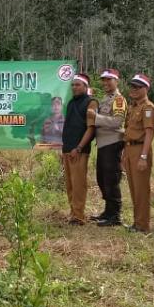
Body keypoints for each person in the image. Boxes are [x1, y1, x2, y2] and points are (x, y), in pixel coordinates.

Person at [88, 68, 127, 227]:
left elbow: (117, 122)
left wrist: (95, 118)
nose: (105, 83)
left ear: (116, 81)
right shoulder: (105, 99)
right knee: (102, 179)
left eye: (109, 80)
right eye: (103, 80)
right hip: (103, 144)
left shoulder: (118, 100)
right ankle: (107, 211)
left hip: (113, 142)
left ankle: (115, 215)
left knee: (111, 179)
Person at [123, 73, 154, 233]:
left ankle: (143, 225)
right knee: (133, 188)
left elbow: (149, 133)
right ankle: (136, 222)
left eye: (138, 87)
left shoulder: (148, 107)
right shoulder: (133, 107)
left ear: (146, 89)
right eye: (132, 86)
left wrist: (143, 156)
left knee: (141, 189)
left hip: (140, 149)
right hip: (129, 149)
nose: (134, 89)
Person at [61, 73, 98, 225]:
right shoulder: (70, 103)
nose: (74, 87)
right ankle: (73, 212)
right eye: (73, 85)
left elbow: (91, 129)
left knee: (78, 184)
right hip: (67, 149)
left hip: (79, 150)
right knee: (69, 183)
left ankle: (78, 216)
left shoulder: (91, 102)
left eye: (78, 85)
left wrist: (79, 147)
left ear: (85, 86)